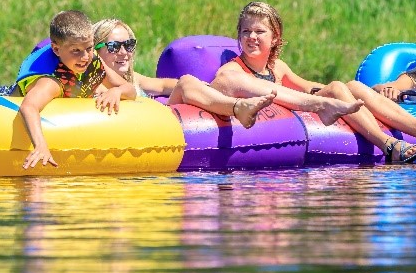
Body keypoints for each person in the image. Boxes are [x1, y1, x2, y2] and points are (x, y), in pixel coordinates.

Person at [210, 1, 416, 164]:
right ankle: (388, 145)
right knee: (338, 88)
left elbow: (306, 85)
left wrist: (336, 92)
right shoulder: (234, 70)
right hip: (270, 122)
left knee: (348, 87)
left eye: (259, 32)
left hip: (300, 105)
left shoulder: (277, 67)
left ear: (275, 38)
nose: (252, 37)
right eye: (246, 32)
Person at [92, 18, 277, 128]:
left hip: (160, 125)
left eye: (129, 45)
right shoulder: (96, 85)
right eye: (114, 46)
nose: (124, 52)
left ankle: (237, 105)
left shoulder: (134, 79)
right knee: (186, 82)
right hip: (145, 128)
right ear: (94, 50)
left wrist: (204, 89)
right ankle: (237, 107)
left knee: (186, 81)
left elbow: (165, 85)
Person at [15, 10, 136, 169]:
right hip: (8, 95)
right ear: (57, 50)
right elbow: (29, 107)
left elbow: (130, 89)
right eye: (76, 51)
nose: (85, 57)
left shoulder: (93, 61)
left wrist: (116, 91)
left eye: (89, 48)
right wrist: (40, 145)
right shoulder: (51, 81)